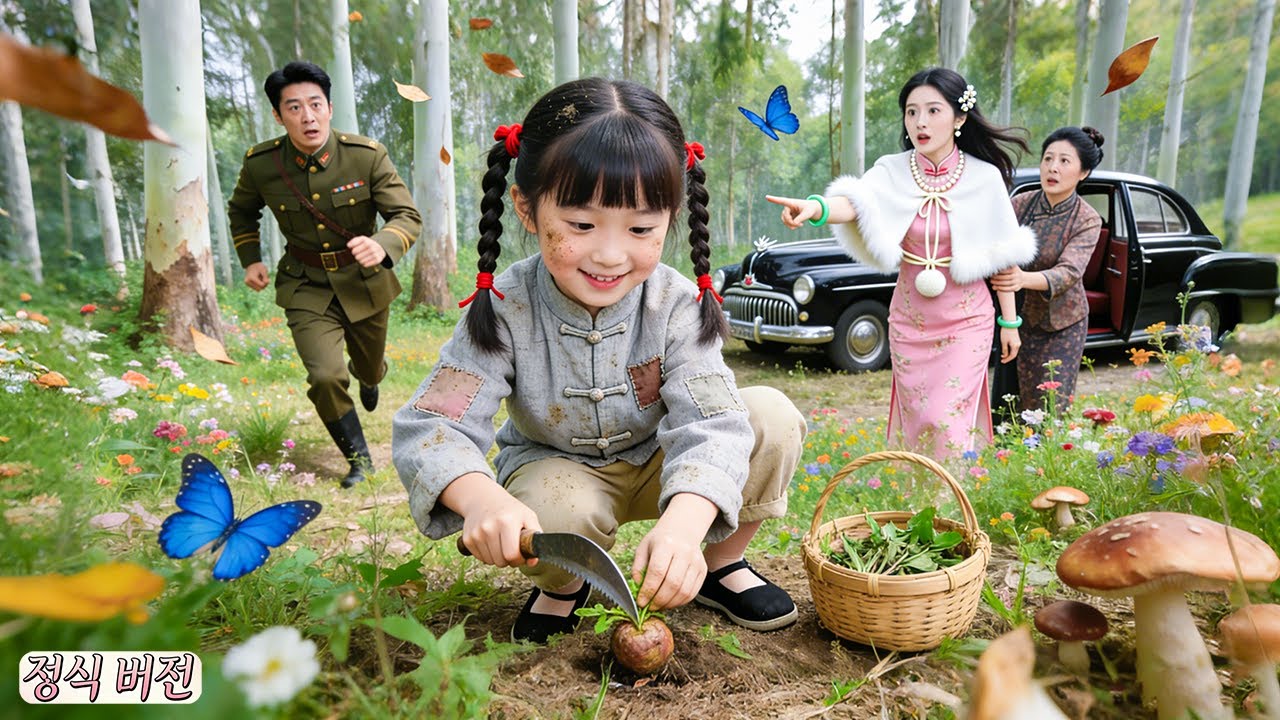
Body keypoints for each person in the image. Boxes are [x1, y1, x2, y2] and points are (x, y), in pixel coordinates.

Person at [391, 77, 805, 644]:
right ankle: (563, 586)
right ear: (527, 209)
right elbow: (432, 425)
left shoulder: (677, 303)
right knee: (553, 511)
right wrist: (480, 497)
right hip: (558, 470)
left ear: (671, 217)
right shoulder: (504, 306)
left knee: (770, 417)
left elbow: (712, 424)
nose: (610, 255)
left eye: (640, 229)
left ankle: (718, 563)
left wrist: (686, 524)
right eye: (582, 225)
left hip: (666, 458)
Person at [766, 67, 1035, 459]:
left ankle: (952, 507)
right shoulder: (892, 170)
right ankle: (917, 510)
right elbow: (857, 204)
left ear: (960, 118)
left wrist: (1009, 323)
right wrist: (816, 207)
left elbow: (1004, 261)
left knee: (948, 420)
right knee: (921, 419)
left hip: (967, 321)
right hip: (910, 321)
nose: (920, 122)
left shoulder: (985, 178)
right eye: (911, 112)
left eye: (932, 111)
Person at [228, 61, 422, 488]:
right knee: (326, 376)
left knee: (367, 369)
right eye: (294, 108)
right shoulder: (262, 164)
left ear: (330, 108)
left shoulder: (365, 156)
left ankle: (371, 376)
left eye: (315, 104)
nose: (307, 116)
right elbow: (242, 210)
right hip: (304, 284)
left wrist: (383, 244)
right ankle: (359, 460)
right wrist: (251, 259)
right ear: (279, 116)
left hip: (364, 282)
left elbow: (406, 216)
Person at [990, 127, 1105, 414]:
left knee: (1049, 404)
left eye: (1065, 161)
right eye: (1048, 158)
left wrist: (1021, 279)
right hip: (1014, 318)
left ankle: (1046, 456)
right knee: (1008, 402)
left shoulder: (1087, 219)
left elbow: (1069, 272)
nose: (1053, 168)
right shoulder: (1020, 204)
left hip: (1061, 326)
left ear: (1083, 172)